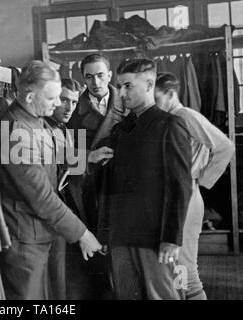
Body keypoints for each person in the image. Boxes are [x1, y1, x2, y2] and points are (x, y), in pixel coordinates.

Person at [0, 61, 103, 300]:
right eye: (53, 98)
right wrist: (82, 233)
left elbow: (54, 161)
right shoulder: (15, 130)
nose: (58, 104)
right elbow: (40, 196)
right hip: (25, 238)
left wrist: (88, 158)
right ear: (31, 96)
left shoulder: (35, 121)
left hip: (41, 233)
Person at [99, 58, 193, 300]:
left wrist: (172, 238)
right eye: (119, 86)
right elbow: (108, 183)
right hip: (121, 235)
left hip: (154, 237)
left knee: (161, 296)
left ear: (150, 84)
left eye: (128, 86)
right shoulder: (121, 130)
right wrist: (106, 231)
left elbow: (180, 186)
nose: (120, 93)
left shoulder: (170, 125)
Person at [154, 72, 235, 300]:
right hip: (178, 194)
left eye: (156, 97)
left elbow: (225, 147)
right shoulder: (169, 119)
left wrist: (202, 179)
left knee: (185, 269)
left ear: (171, 94)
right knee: (175, 268)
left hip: (187, 195)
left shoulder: (185, 116)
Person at [45, 78, 113, 299]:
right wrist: (88, 158)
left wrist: (89, 159)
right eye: (63, 100)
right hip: (57, 213)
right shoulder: (43, 128)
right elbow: (53, 163)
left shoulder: (63, 129)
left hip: (73, 208)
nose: (69, 107)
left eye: (73, 102)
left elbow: (66, 163)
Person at [66, 53, 125, 299]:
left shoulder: (127, 102)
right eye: (89, 77)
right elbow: (62, 153)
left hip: (121, 186)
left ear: (110, 75)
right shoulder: (71, 110)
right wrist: (89, 156)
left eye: (101, 75)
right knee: (95, 254)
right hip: (89, 187)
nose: (96, 82)